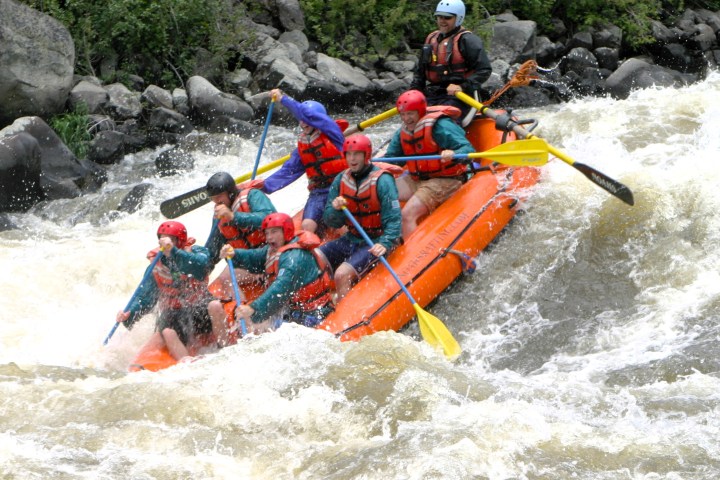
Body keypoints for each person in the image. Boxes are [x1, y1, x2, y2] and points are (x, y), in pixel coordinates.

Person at [207, 212, 334, 345]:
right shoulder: (274, 250)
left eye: (274, 232)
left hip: (314, 312)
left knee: (258, 328)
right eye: (267, 233)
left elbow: (279, 289)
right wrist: (234, 254)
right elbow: (254, 257)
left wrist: (253, 309)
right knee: (254, 327)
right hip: (293, 310)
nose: (269, 237)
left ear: (287, 231)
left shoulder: (295, 258)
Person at [382, 89, 475, 239]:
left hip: (446, 180)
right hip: (417, 179)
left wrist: (453, 154)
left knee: (408, 214)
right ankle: (386, 239)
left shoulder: (440, 125)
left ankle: (411, 255)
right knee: (381, 194)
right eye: (403, 114)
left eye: (410, 114)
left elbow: (468, 149)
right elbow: (392, 158)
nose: (407, 119)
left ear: (420, 112)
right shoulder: (403, 131)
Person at [116, 221, 214, 361]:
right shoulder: (157, 263)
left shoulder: (198, 252)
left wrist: (174, 252)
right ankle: (187, 363)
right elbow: (144, 297)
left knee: (215, 306)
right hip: (174, 312)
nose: (165, 243)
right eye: (163, 239)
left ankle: (227, 344)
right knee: (168, 332)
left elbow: (200, 267)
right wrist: (129, 313)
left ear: (180, 241)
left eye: (171, 240)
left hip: (198, 306)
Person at [320, 134, 402, 301]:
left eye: (357, 154)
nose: (352, 159)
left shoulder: (382, 180)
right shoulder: (340, 180)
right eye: (349, 154)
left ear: (367, 155)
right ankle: (319, 303)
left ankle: (345, 317)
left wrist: (385, 243)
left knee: (342, 274)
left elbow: (394, 219)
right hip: (352, 238)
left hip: (375, 241)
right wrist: (336, 210)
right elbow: (330, 220)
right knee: (315, 256)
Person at [259, 88, 347, 235]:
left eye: (307, 119)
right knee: (307, 225)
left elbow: (307, 114)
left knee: (340, 224)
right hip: (319, 191)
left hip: (342, 186)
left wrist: (283, 99)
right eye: (301, 120)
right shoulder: (303, 144)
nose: (303, 123)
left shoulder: (332, 131)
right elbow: (289, 171)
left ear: (318, 120)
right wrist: (264, 186)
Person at [409, 0, 492, 119]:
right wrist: (414, 91)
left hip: (461, 96)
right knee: (411, 117)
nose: (442, 21)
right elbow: (420, 73)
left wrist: (462, 86)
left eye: (447, 18)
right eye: (439, 17)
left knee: (441, 120)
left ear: (458, 18)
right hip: (435, 93)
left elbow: (484, 70)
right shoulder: (431, 39)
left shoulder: (468, 40)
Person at [203, 171, 276, 299]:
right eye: (213, 198)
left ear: (230, 193)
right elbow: (213, 249)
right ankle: (242, 310)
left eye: (219, 196)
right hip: (249, 261)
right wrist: (201, 269)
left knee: (228, 276)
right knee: (226, 278)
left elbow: (269, 218)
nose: (216, 202)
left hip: (271, 253)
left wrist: (233, 216)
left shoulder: (253, 196)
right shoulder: (219, 217)